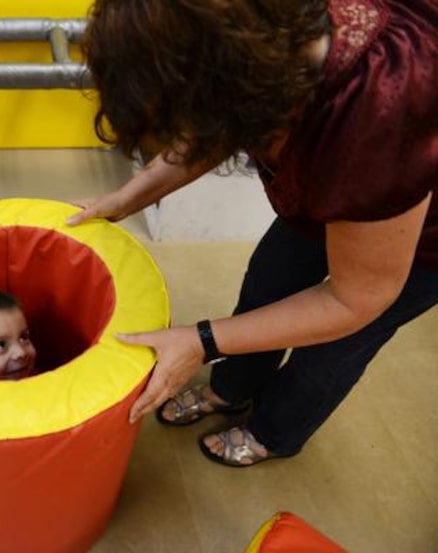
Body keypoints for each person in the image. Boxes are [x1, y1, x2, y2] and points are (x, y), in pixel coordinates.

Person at [69, 0, 438, 466]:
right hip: (329, 183)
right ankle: (232, 387)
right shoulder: (255, 56)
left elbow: (355, 299)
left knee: (333, 349)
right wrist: (126, 199)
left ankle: (274, 431)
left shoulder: (381, 109)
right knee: (269, 282)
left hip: (423, 236)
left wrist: (200, 341)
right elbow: (210, 126)